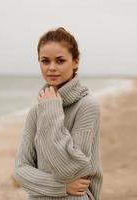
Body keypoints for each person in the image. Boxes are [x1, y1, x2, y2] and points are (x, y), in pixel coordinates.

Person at [14, 27, 103, 200]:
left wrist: (51, 110)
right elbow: (21, 170)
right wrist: (61, 186)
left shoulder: (87, 106)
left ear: (75, 61)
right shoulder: (36, 111)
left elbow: (72, 168)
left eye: (60, 61)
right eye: (45, 61)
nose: (51, 68)